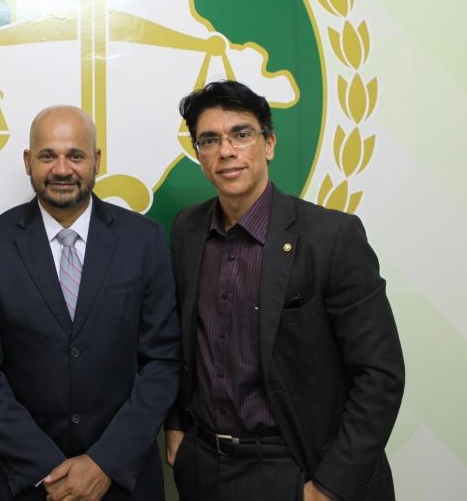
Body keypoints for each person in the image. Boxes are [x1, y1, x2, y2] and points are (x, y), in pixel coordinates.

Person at [164, 80, 404, 501]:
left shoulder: (331, 237)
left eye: (241, 134)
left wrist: (329, 487)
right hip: (203, 466)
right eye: (210, 140)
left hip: (294, 466)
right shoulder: (187, 229)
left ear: (269, 144)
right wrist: (176, 428)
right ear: (198, 153)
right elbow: (177, 340)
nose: (226, 151)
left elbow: (380, 375)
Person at [0, 105, 181, 500]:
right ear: (28, 162)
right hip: (25, 483)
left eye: (75, 155)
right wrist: (47, 469)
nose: (61, 169)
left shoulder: (144, 240)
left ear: (96, 161)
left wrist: (104, 463)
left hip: (122, 481)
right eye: (48, 156)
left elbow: (162, 362)